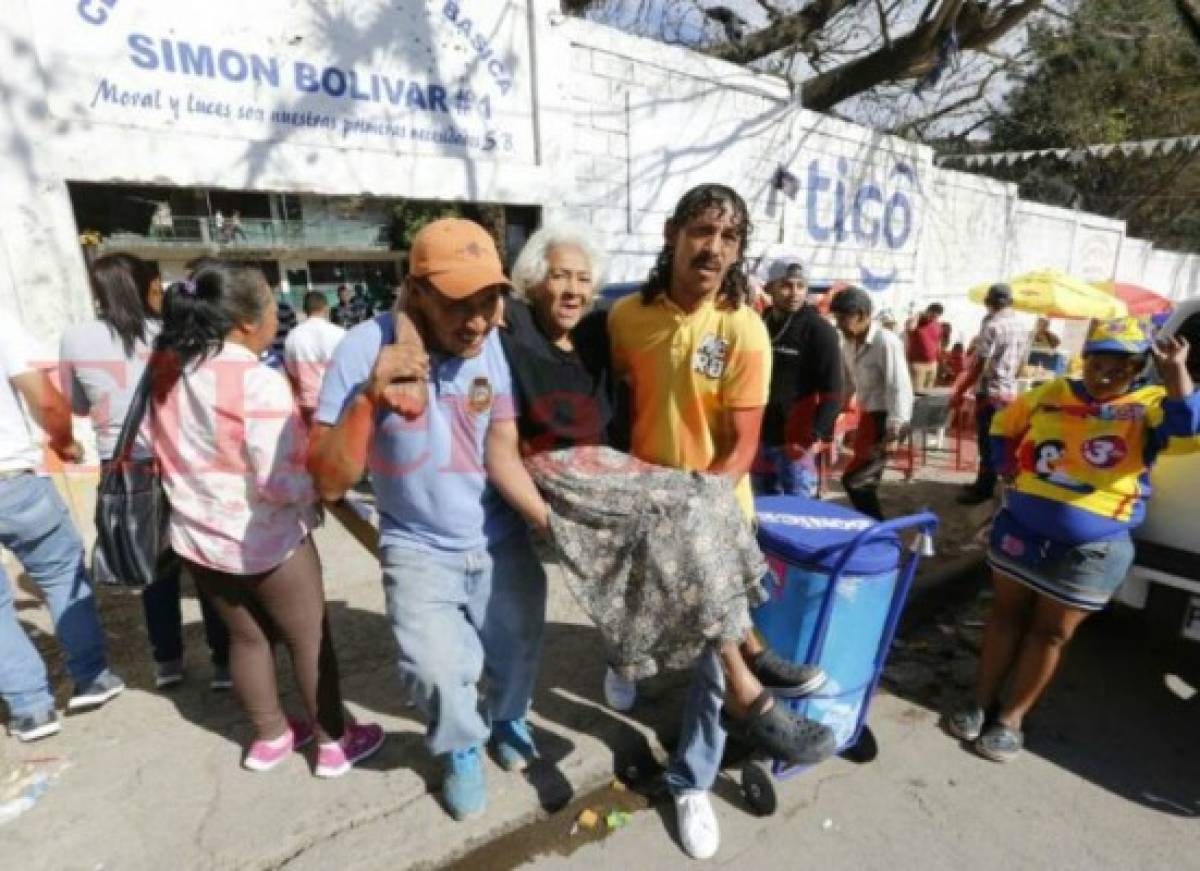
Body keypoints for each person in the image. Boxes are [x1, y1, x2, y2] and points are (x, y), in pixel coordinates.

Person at [498, 223, 827, 753]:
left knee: (708, 497)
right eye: (559, 276)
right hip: (560, 472)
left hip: (611, 467)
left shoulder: (597, 329)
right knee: (689, 512)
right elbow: (423, 307)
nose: (573, 289)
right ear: (534, 280)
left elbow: (660, 311)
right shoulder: (509, 324)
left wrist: (731, 290)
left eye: (583, 279)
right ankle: (749, 685)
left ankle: (749, 651)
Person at [607, 184, 835, 861]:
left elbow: (742, 444)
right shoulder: (625, 317)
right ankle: (745, 661)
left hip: (716, 506)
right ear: (674, 232)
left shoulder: (744, 326)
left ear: (740, 250)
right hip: (644, 503)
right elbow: (604, 396)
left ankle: (692, 778)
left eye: (729, 238)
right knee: (644, 613)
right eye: (703, 230)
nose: (713, 247)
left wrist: (701, 497)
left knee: (708, 654)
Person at [308, 219, 549, 821]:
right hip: (417, 545)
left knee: (517, 647)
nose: (475, 319)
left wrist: (548, 520)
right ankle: (462, 747)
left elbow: (501, 448)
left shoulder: (490, 342)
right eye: (456, 303)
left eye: (488, 299)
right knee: (436, 671)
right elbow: (329, 480)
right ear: (415, 291)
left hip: (498, 537)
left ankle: (509, 719)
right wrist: (368, 399)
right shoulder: (363, 347)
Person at [149, 263, 383, 776]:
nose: (279, 320)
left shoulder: (168, 374)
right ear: (249, 323)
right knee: (310, 640)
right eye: (272, 311)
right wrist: (322, 491)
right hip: (267, 541)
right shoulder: (256, 381)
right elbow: (279, 480)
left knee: (247, 639)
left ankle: (271, 736)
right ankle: (334, 743)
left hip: (199, 541)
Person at [946, 318, 1200, 762]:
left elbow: (1188, 425)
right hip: (1020, 532)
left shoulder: (1150, 404)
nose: (1104, 374)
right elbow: (1004, 423)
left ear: (1139, 369)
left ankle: (1010, 719)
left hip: (1089, 551)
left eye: (1119, 367)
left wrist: (1177, 370)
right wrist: (1006, 468)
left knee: (1049, 634)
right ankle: (978, 702)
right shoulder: (1051, 393)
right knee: (1004, 617)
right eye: (1097, 362)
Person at [60, 253, 230, 691]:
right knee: (203, 558)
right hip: (179, 458)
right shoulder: (168, 333)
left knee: (152, 565)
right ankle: (225, 661)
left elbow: (77, 405)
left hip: (124, 466)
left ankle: (168, 660)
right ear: (144, 285)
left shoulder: (76, 338)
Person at [0, 316, 124, 741]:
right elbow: (47, 402)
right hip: (13, 479)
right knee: (59, 573)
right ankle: (91, 677)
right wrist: (65, 442)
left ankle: (31, 709)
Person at [754, 259, 843, 499]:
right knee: (760, 512)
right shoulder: (757, 323)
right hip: (759, 437)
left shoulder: (820, 330)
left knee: (796, 512)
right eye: (786, 285)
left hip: (795, 442)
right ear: (769, 287)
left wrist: (812, 436)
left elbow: (834, 393)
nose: (794, 293)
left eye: (800, 286)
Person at [829, 286, 913, 520]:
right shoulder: (847, 341)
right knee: (862, 482)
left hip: (888, 420)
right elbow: (847, 382)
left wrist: (895, 431)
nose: (839, 324)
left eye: (843, 318)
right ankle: (872, 526)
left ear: (863, 315)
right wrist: (836, 411)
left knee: (857, 482)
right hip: (868, 416)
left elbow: (899, 386)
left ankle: (878, 529)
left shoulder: (886, 341)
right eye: (837, 318)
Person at [956, 283, 1029, 505]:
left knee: (986, 443)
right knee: (1001, 441)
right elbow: (1023, 363)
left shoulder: (992, 325)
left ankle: (984, 489)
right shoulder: (1022, 326)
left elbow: (980, 364)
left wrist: (962, 388)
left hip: (990, 392)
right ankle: (988, 483)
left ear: (990, 302)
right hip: (1008, 392)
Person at [283, 291, 346, 425]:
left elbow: (292, 373)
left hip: (308, 404)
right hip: (337, 401)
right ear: (326, 308)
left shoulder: (292, 337)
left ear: (305, 310)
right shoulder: (340, 334)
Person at [906, 303, 945, 392]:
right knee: (916, 393)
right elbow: (910, 329)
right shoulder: (916, 322)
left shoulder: (938, 325)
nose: (932, 318)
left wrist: (940, 361)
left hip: (933, 364)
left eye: (936, 317)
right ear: (927, 311)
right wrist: (917, 315)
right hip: (918, 364)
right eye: (931, 315)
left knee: (928, 394)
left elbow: (938, 343)